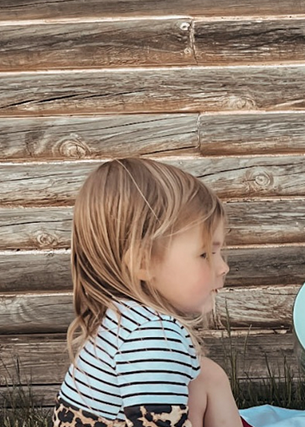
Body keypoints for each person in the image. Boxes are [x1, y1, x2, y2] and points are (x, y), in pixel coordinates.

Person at [54, 158, 241, 427]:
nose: (223, 267)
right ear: (143, 263)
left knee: (206, 374)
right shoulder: (154, 335)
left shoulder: (122, 316)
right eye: (205, 254)